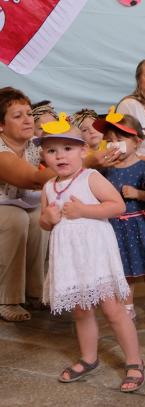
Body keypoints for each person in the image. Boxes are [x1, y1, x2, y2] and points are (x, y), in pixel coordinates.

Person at [37, 127, 144, 392]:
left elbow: (117, 205)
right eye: (52, 150)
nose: (60, 156)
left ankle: (135, 361)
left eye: (68, 149)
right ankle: (89, 357)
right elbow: (45, 221)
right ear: (44, 157)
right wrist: (47, 220)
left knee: (112, 309)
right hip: (69, 258)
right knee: (81, 310)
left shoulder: (90, 177)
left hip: (95, 254)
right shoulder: (48, 187)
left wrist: (83, 210)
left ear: (83, 151)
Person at [94, 113, 145, 324]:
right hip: (117, 227)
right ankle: (127, 305)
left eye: (120, 139)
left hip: (143, 224)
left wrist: (139, 194)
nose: (114, 145)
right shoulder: (103, 171)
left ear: (137, 141)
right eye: (109, 141)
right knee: (124, 268)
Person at [0, 87, 53, 322]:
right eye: (17, 115)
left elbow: (59, 155)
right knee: (16, 218)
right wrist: (85, 164)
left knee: (39, 217)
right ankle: (7, 299)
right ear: (1, 125)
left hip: (17, 203)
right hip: (6, 208)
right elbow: (31, 178)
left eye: (29, 114)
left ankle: (35, 292)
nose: (27, 120)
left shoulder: (34, 144)